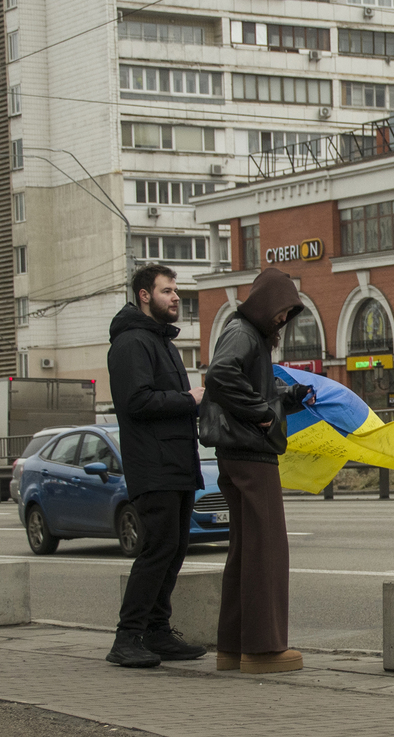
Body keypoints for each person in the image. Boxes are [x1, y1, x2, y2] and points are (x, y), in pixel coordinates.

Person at [201, 267, 313, 675]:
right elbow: (221, 376)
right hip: (252, 453)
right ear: (265, 305)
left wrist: (289, 395)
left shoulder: (244, 333)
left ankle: (233, 648)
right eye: (282, 311)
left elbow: (249, 383)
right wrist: (263, 414)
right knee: (266, 551)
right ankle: (263, 650)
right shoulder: (244, 332)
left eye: (289, 313)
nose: (283, 319)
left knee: (246, 552)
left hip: (238, 451)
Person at [106, 264, 208, 667]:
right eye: (167, 291)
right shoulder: (132, 343)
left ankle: (158, 631)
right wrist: (190, 399)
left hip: (176, 462)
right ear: (144, 295)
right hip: (154, 464)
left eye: (176, 290)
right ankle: (126, 637)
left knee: (175, 548)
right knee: (157, 549)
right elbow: (137, 402)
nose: (176, 297)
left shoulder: (160, 341)